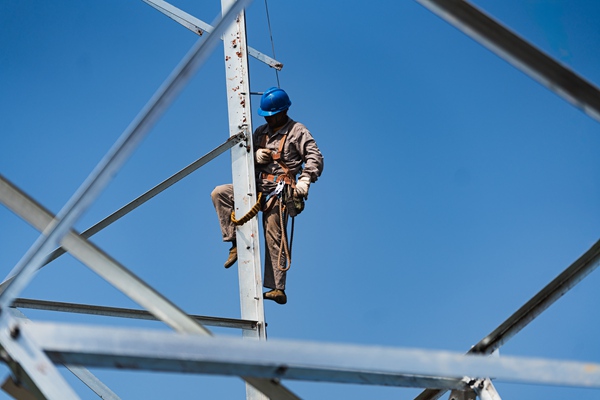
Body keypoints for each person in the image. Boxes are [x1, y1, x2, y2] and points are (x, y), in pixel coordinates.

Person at [211, 87, 324, 305]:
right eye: (268, 116)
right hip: (255, 186)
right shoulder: (261, 131)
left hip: (279, 190)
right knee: (221, 193)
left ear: (284, 111)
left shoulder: (297, 131)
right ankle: (234, 242)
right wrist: (253, 155)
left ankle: (277, 287)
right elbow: (241, 156)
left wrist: (306, 179)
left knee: (274, 234)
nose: (270, 120)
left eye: (273, 115)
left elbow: (314, 156)